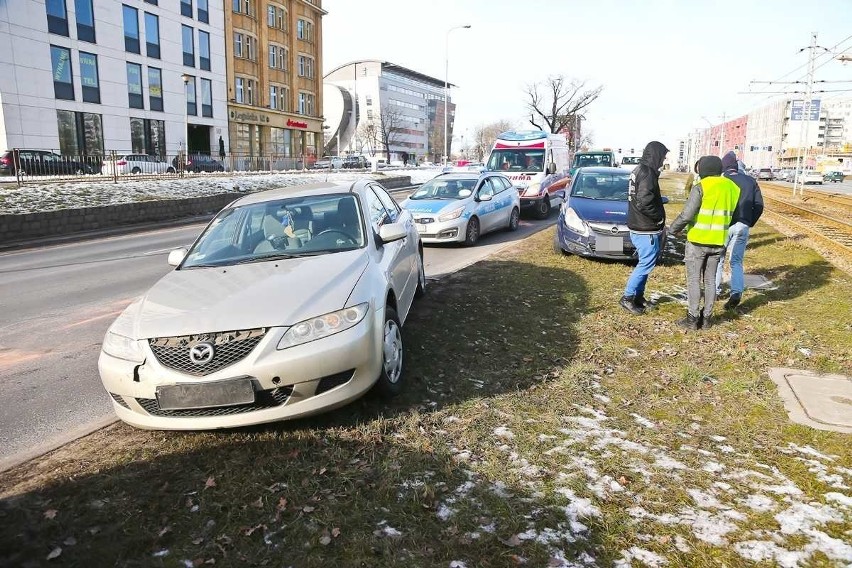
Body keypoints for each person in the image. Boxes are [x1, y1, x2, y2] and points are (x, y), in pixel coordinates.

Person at [669, 156, 741, 330]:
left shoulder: (701, 187)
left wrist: (672, 229)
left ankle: (692, 319)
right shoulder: (733, 187)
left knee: (694, 280)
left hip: (697, 241)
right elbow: (735, 215)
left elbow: (687, 214)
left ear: (703, 169)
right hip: (718, 242)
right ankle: (707, 319)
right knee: (710, 281)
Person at [620, 140, 669, 315]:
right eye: (663, 156)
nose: (663, 160)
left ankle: (638, 296)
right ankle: (627, 298)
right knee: (645, 264)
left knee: (645, 263)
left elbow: (643, 198)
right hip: (645, 227)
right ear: (656, 155)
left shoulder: (639, 170)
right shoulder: (647, 173)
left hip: (639, 225)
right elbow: (643, 201)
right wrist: (657, 217)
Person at [715, 150, 764, 309]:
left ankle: (714, 291)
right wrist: (749, 222)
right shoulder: (750, 181)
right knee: (736, 261)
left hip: (723, 225)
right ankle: (736, 292)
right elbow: (759, 205)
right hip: (743, 225)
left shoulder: (722, 180)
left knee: (718, 258)